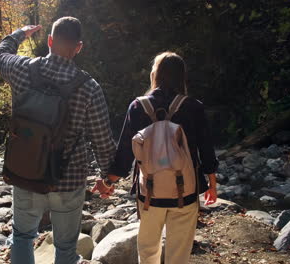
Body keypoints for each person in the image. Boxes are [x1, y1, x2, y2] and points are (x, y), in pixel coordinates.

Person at [0, 17, 116, 264]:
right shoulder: (88, 87)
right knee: (66, 246)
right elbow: (102, 141)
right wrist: (107, 179)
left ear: (49, 40)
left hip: (25, 171)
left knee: (23, 236)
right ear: (78, 47)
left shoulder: (21, 69)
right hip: (68, 178)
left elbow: (0, 54)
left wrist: (20, 33)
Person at [92, 51, 218, 264]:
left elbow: (125, 153)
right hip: (186, 191)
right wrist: (211, 184)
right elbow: (206, 149)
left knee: (148, 250)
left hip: (149, 193)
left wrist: (107, 182)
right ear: (181, 77)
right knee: (178, 254)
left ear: (155, 75)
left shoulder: (138, 107)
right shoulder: (193, 106)